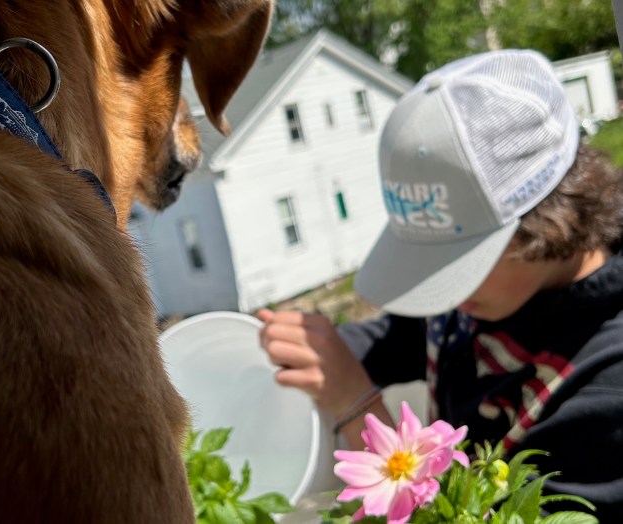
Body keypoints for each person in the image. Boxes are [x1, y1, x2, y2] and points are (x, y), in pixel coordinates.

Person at [257, 49, 623, 521]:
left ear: (546, 222)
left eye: (458, 265)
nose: (447, 295)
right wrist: (312, 349)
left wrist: (358, 408)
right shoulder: (492, 295)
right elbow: (402, 336)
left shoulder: (608, 388)